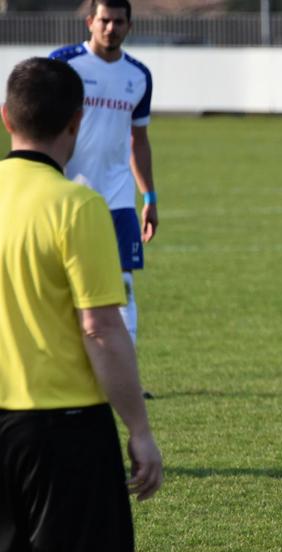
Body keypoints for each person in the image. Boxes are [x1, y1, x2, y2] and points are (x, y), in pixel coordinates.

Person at [0, 57, 163, 552]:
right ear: (77, 120)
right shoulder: (77, 206)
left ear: (6, 118)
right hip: (61, 428)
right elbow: (100, 329)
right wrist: (138, 428)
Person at [50, 0, 158, 388]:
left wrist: (149, 197)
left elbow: (139, 141)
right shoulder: (63, 64)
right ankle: (68, 370)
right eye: (104, 20)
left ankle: (127, 377)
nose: (111, 28)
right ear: (90, 21)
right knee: (61, 286)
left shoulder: (138, 76)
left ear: (129, 25)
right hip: (65, 196)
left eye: (118, 22)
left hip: (118, 201)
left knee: (123, 287)